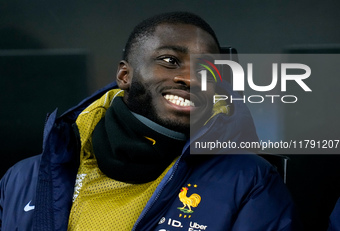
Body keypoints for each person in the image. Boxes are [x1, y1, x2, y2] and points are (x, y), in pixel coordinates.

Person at [0, 12, 300, 230]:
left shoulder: (251, 181)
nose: (190, 77)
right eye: (170, 60)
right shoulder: (22, 178)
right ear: (124, 75)